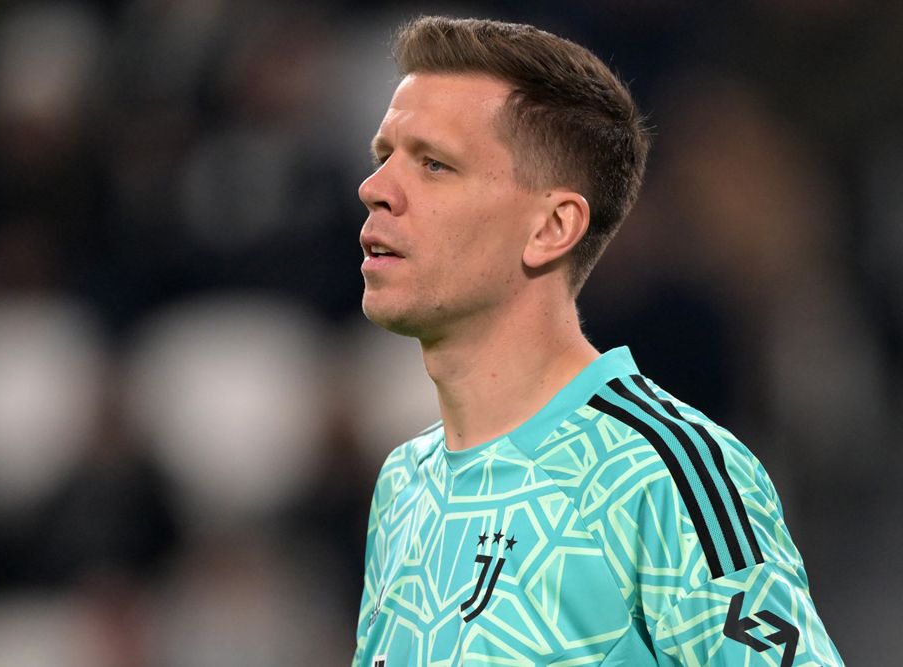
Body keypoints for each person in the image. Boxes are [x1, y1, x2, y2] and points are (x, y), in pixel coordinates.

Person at [351, 16, 842, 666]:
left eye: (435, 164)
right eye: (385, 156)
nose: (375, 189)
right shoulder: (402, 485)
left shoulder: (666, 473)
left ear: (552, 227)